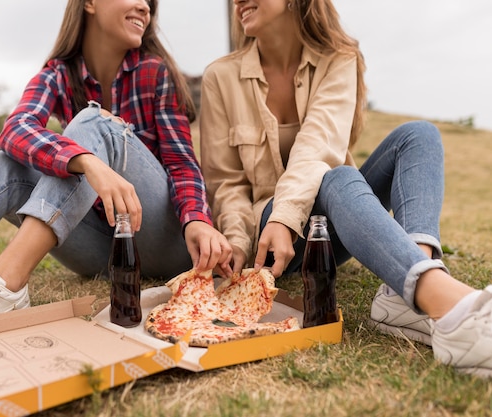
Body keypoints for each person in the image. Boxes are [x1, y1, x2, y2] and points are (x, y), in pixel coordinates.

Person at [0, 0, 232, 330]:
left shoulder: (155, 72)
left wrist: (198, 221)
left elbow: (183, 164)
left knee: (93, 122)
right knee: (3, 165)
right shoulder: (59, 73)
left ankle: (6, 282)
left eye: (149, 2)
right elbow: (15, 130)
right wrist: (88, 162)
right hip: (100, 250)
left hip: (162, 242)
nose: (144, 7)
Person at [199, 0, 491, 376]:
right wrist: (239, 243)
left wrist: (290, 212)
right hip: (275, 240)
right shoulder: (220, 77)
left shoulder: (338, 58)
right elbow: (227, 183)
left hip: (333, 218)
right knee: (333, 175)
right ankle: (447, 302)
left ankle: (414, 279)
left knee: (418, 135)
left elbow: (319, 145)